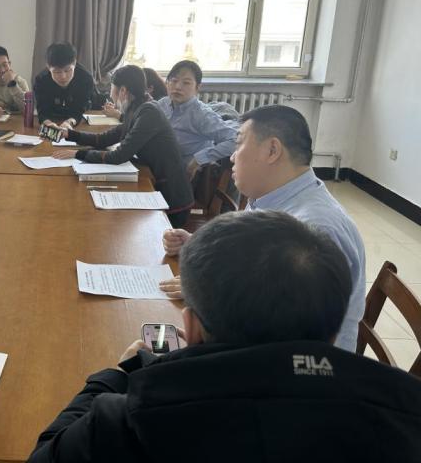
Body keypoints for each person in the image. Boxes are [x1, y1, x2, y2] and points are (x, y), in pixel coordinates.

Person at [29, 211, 421, 462]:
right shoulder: (406, 414)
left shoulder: (131, 420)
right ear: (335, 330)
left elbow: (46, 453)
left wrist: (115, 375)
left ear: (191, 328)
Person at [160, 105, 366, 352]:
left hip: (297, 364)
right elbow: (251, 256)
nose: (232, 157)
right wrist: (196, 246)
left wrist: (206, 290)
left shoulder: (312, 231)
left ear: (272, 150)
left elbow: (279, 326)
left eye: (239, 144)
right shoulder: (270, 198)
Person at [51, 65, 193, 228]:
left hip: (172, 198)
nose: (111, 97)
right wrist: (69, 135)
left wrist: (78, 154)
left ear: (123, 91)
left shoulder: (148, 112)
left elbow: (118, 155)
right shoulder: (138, 107)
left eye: (112, 90)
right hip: (156, 187)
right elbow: (104, 139)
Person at [156, 59, 238, 179]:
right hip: (159, 164)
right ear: (167, 83)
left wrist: (198, 159)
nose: (177, 87)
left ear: (197, 87)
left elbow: (236, 140)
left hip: (183, 174)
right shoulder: (162, 104)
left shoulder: (202, 115)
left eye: (186, 83)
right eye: (174, 81)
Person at [33, 42, 95, 130]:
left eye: (67, 70)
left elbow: (79, 109)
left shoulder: (85, 78)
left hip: (81, 122)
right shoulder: (41, 80)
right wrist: (48, 123)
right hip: (54, 117)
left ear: (74, 63)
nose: (63, 76)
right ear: (48, 67)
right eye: (57, 72)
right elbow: (42, 110)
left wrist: (69, 122)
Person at [103, 67, 168, 119]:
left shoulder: (149, 108)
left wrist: (118, 114)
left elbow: (135, 121)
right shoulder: (139, 104)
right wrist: (118, 107)